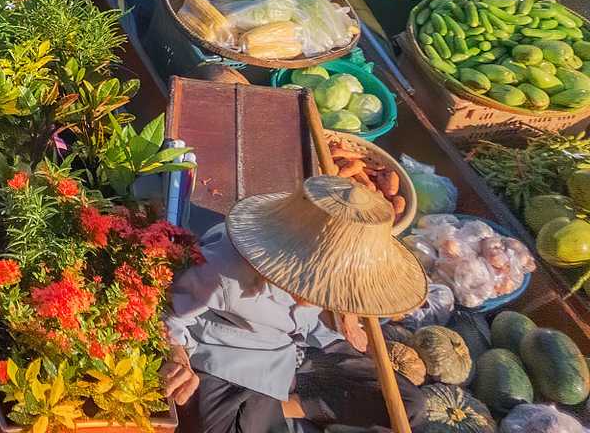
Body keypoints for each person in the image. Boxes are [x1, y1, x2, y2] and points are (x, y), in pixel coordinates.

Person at [161, 177, 429, 433]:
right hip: (235, 361)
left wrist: (348, 316)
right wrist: (177, 357)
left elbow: (348, 292)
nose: (318, 298)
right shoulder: (224, 271)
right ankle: (265, 408)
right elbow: (169, 314)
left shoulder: (336, 280)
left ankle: (287, 407)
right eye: (314, 285)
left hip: (306, 345)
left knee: (408, 407)